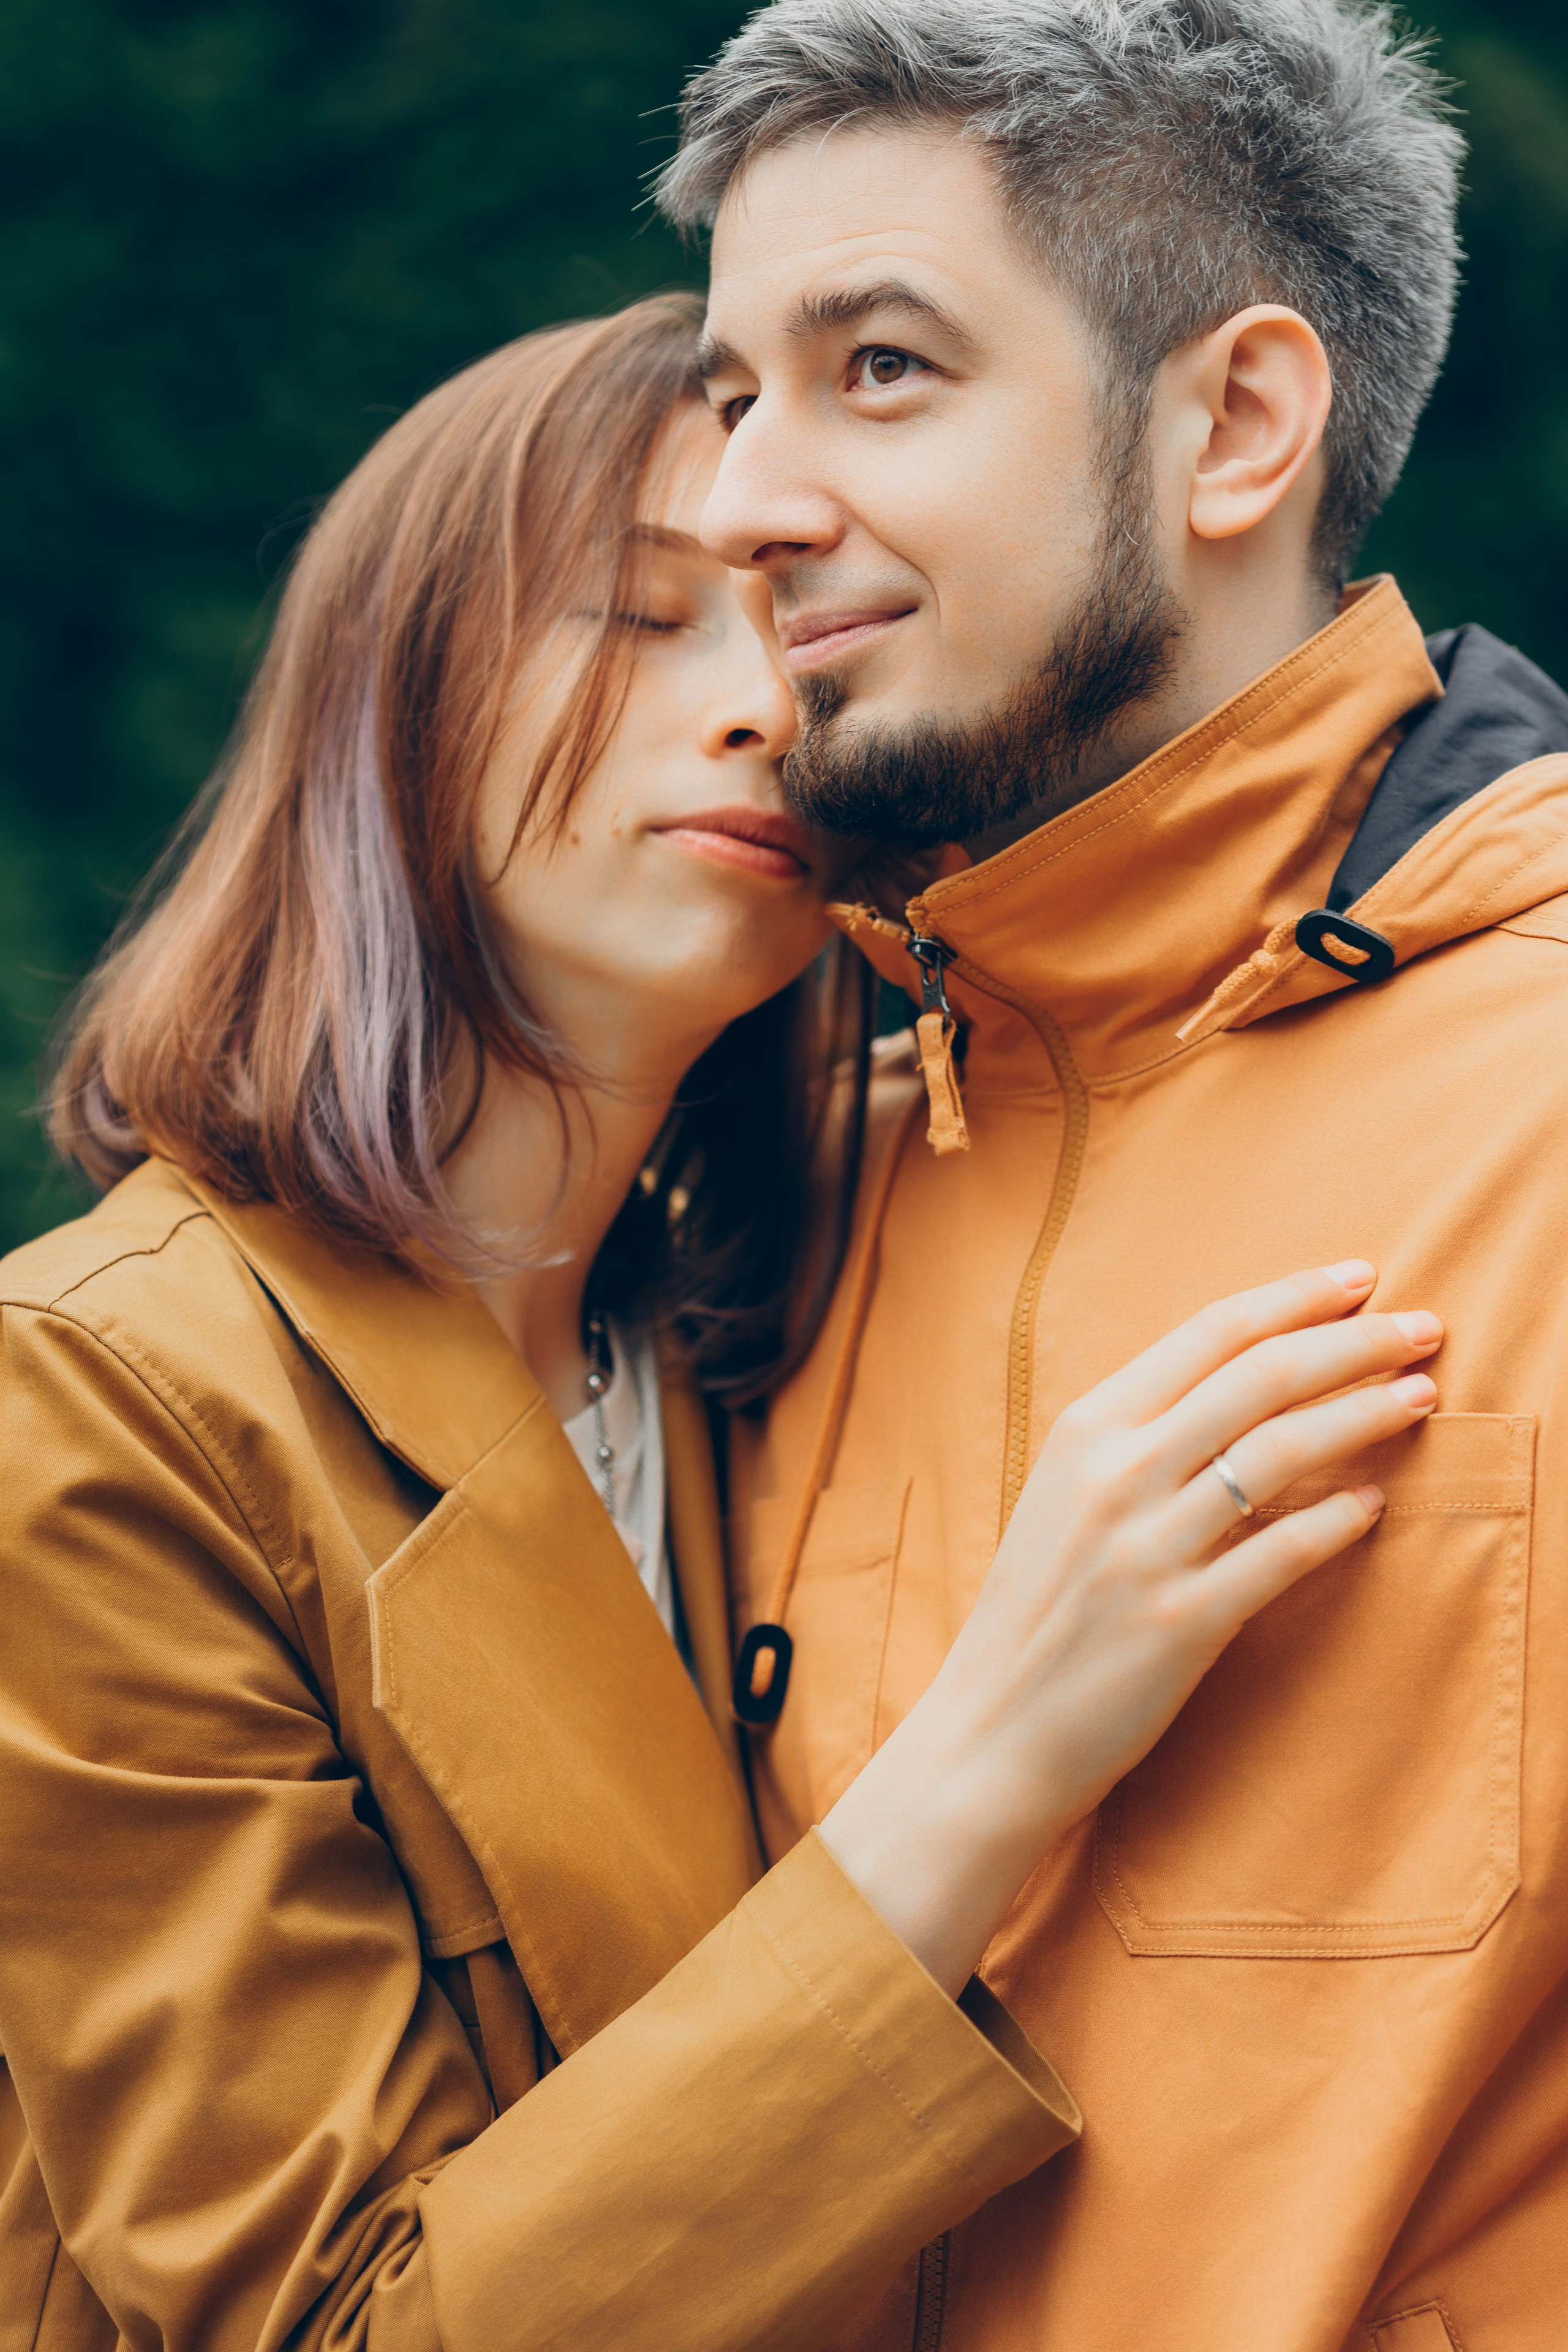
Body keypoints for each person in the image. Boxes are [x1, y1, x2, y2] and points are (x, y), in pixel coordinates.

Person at [0, 293, 1441, 2350]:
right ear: (390, 695)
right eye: (638, 614)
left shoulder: (757, 1317)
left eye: (806, 630)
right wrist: (1000, 1752)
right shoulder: (97, 1399)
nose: (770, 707)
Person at [660, 2, 1568, 2347]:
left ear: (1236, 425)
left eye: (879, 369)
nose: (741, 499)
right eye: (734, 385)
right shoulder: (784, 1162)